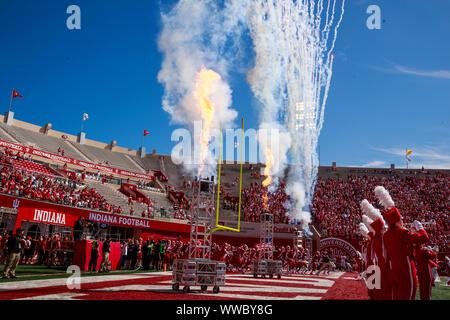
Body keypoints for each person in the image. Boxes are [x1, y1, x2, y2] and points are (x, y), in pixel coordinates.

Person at [374, 186, 429, 300]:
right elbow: (424, 238)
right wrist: (420, 227)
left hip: (393, 270)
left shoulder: (386, 235)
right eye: (400, 219)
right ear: (397, 220)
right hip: (405, 271)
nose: (402, 222)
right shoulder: (402, 232)